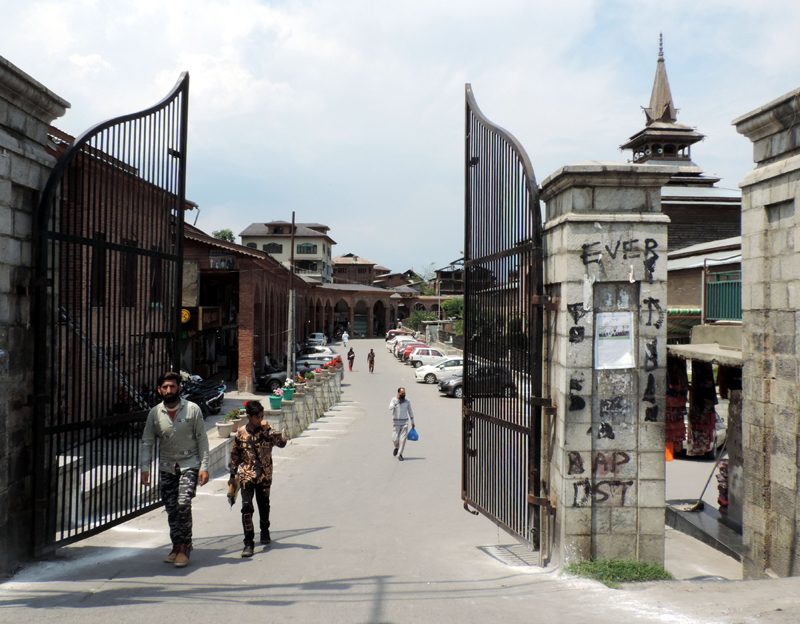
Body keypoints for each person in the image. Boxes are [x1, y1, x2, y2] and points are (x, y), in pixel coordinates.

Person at [140, 371, 210, 567]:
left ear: (179, 388)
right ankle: (176, 545)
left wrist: (204, 467)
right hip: (167, 467)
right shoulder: (155, 413)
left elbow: (202, 440)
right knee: (171, 508)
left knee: (183, 503)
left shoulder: (193, 409)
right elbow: (147, 441)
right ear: (159, 390)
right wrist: (145, 468)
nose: (169, 390)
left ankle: (185, 545)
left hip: (189, 464)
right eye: (165, 387)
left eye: (172, 386)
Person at [228, 400, 287, 557]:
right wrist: (232, 476)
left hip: (264, 477)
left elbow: (282, 443)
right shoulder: (241, 433)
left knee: (264, 505)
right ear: (249, 416)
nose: (260, 419)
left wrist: (269, 428)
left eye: (262, 416)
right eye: (257, 417)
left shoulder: (267, 431)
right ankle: (248, 543)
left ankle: (265, 529)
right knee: (247, 508)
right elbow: (235, 454)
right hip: (247, 476)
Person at [388, 387, 415, 461]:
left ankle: (400, 454)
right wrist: (397, 401)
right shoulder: (394, 400)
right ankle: (397, 448)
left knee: (402, 440)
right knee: (395, 439)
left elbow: (410, 411)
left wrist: (412, 421)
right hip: (396, 423)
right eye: (402, 393)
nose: (403, 395)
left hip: (404, 423)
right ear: (398, 393)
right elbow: (390, 408)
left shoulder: (407, 401)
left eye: (404, 393)